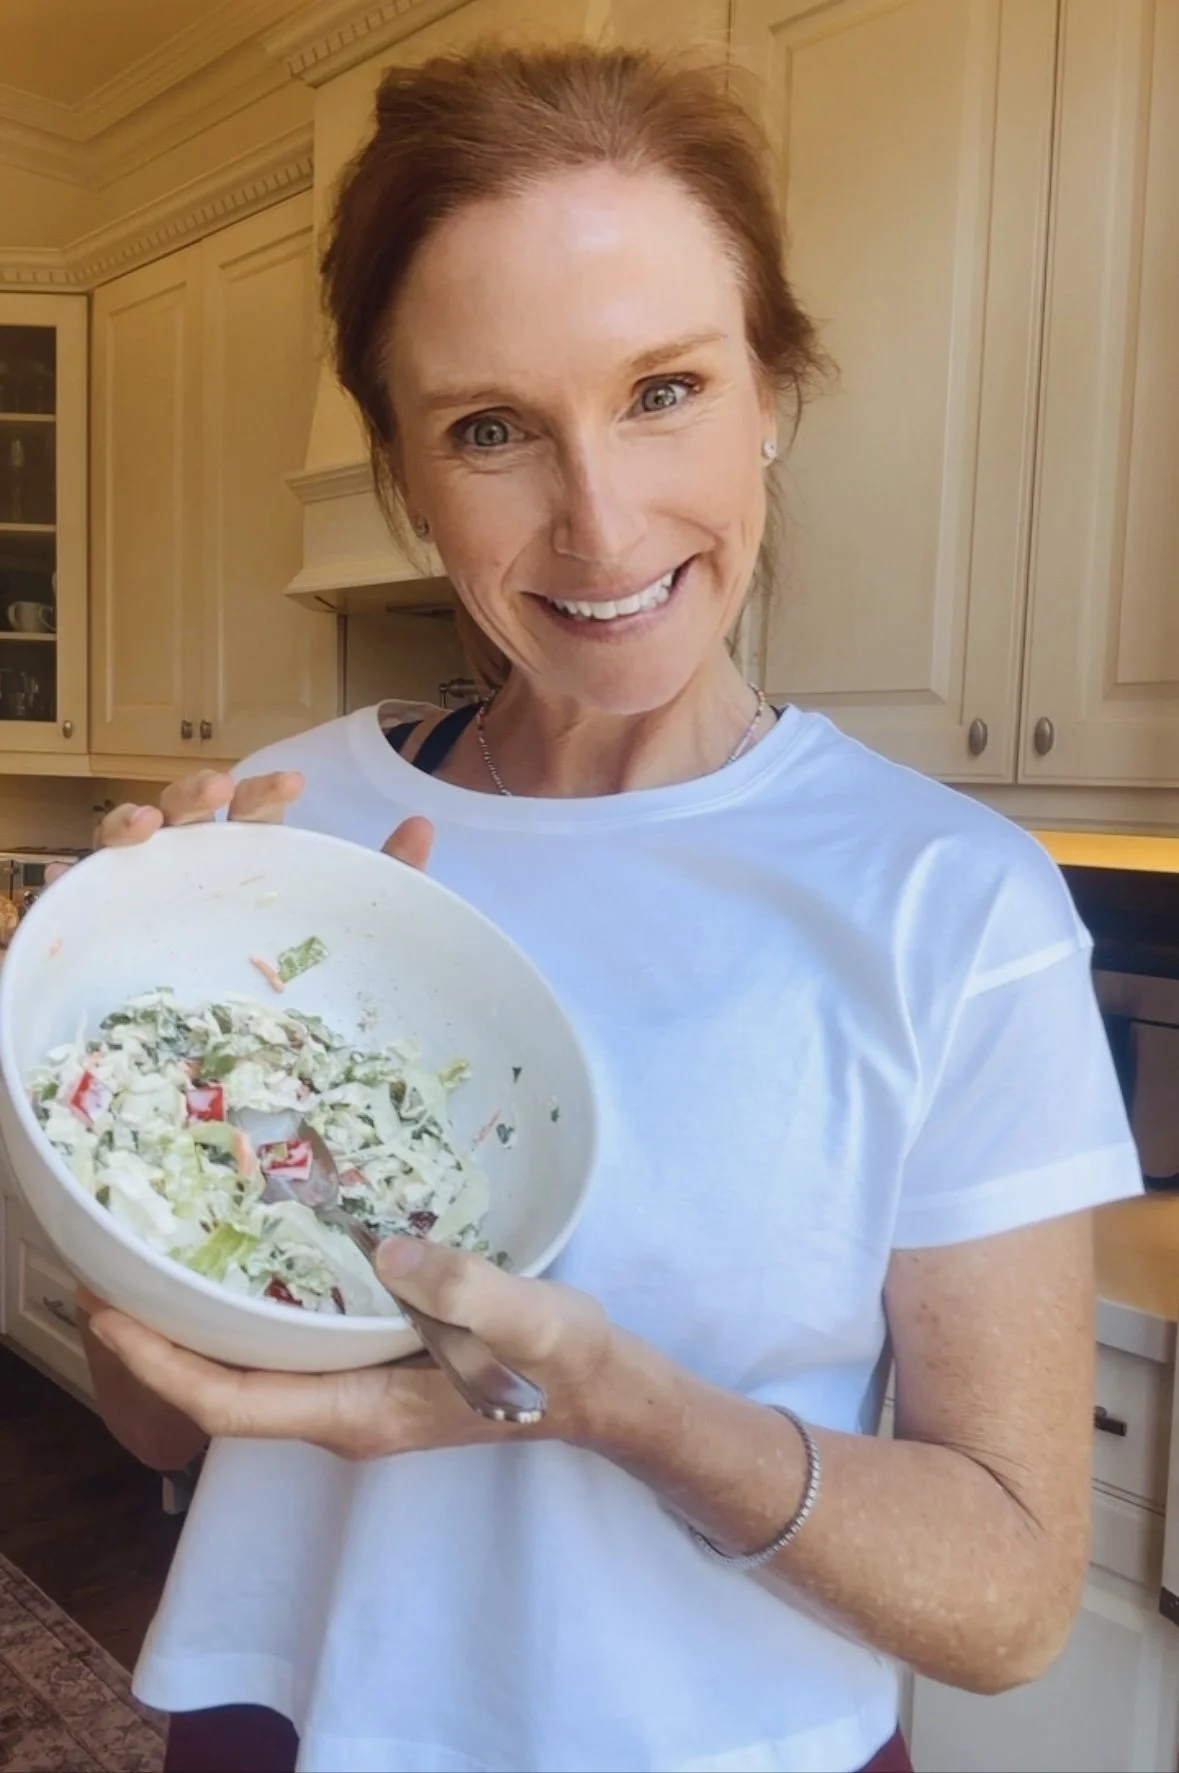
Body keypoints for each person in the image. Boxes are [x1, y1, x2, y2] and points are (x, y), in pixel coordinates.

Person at [75, 44, 1142, 1773]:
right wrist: (105, 1109)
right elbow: (154, 1424)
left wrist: (621, 1409)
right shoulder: (277, 841)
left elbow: (1013, 1601)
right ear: (407, 475)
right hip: (291, 1721)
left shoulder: (952, 903)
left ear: (771, 390)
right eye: (490, 428)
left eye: (663, 389)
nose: (598, 517)